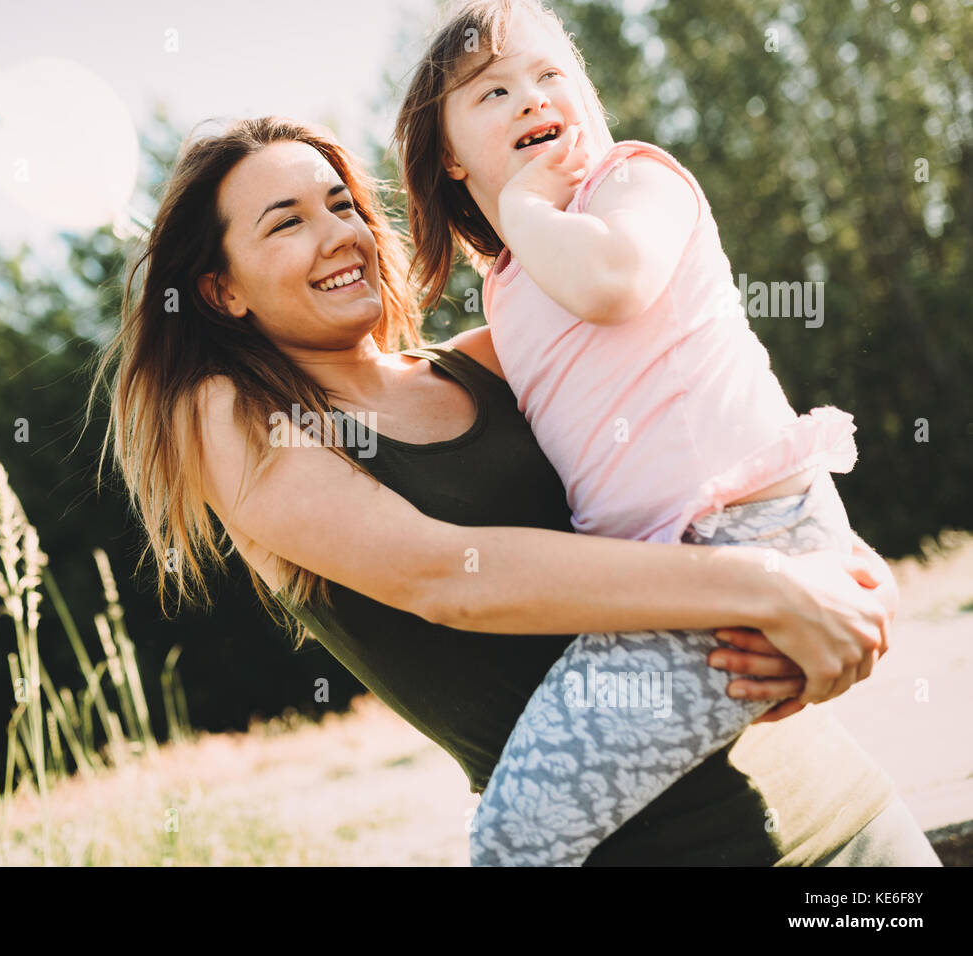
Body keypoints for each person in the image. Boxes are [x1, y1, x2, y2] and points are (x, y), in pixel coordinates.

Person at [91, 114, 932, 865]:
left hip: (849, 824)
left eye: (343, 205)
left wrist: (844, 571)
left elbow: (708, 435)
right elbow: (446, 576)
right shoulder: (225, 417)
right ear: (220, 290)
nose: (339, 233)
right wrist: (770, 585)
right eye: (288, 223)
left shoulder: (499, 356)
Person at [390, 0, 932, 866]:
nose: (531, 98)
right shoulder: (508, 287)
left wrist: (526, 204)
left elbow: (614, 282)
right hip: (668, 578)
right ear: (448, 155)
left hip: (750, 532)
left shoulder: (635, 181)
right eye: (492, 92)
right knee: (531, 827)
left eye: (550, 74)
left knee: (514, 837)